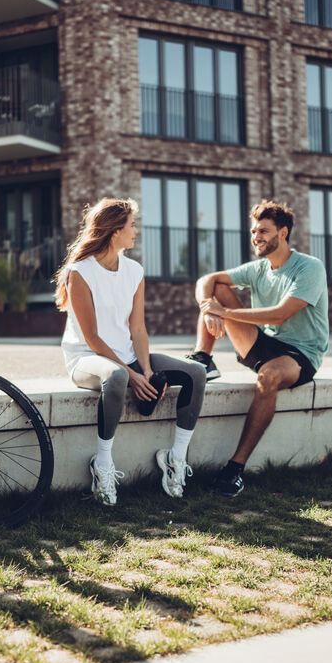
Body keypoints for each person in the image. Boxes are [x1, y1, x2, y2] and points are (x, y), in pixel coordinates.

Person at [55, 198, 208, 506]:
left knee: (197, 372)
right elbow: (92, 336)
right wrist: (130, 374)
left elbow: (137, 329)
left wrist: (147, 372)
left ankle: (175, 459)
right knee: (114, 378)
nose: (136, 231)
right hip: (87, 358)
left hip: (128, 357)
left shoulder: (134, 270)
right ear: (115, 232)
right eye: (132, 225)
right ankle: (104, 464)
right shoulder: (80, 273)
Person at [185, 200, 328, 497]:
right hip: (263, 343)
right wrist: (208, 308)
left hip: (299, 354)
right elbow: (206, 280)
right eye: (253, 232)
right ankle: (203, 358)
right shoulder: (259, 268)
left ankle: (235, 468)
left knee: (269, 376)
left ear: (283, 232)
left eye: (263, 231)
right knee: (218, 289)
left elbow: (280, 314)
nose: (256, 237)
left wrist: (222, 313)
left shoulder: (309, 268)